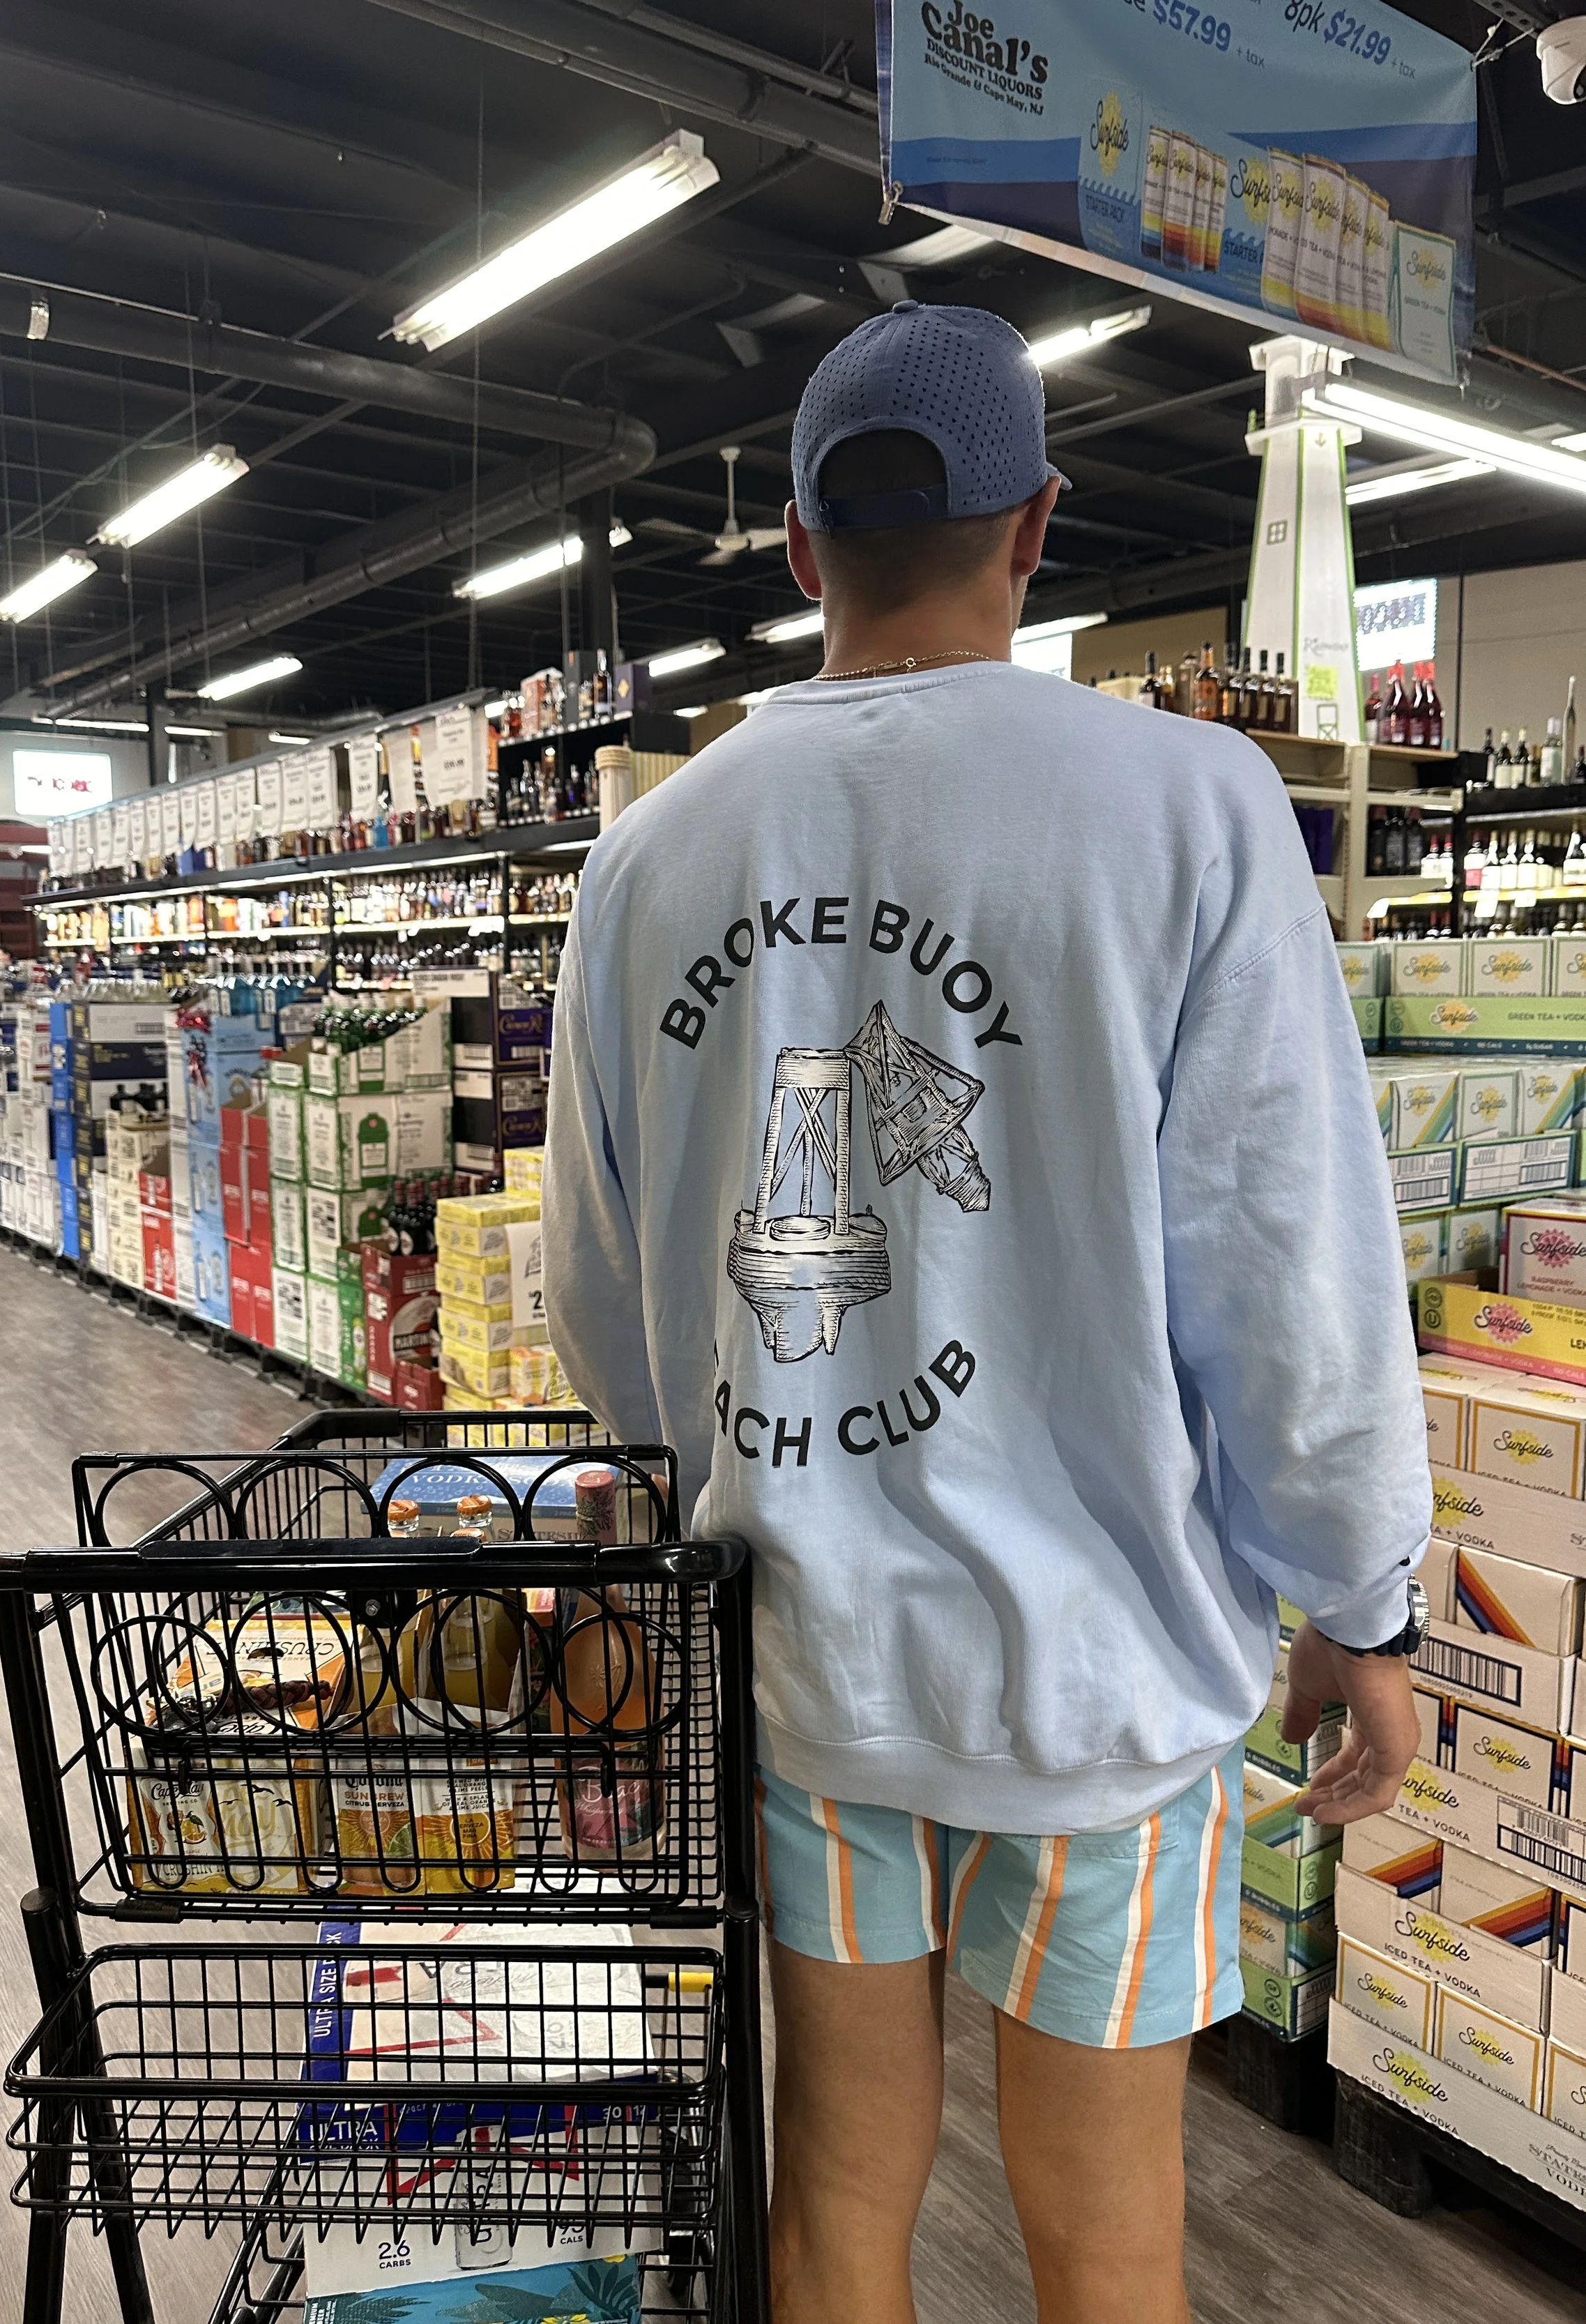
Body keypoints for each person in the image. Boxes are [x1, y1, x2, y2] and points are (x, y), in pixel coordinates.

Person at [542, 302, 1428, 2324]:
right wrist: (1356, 1602)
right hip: (1101, 1673)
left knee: (839, 2199)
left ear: (792, 550)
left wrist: (692, 1467)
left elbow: (604, 1298)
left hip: (804, 1659)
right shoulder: (1186, 806)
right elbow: (1281, 1259)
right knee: (1103, 2235)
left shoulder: (652, 853)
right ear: (1036, 526)